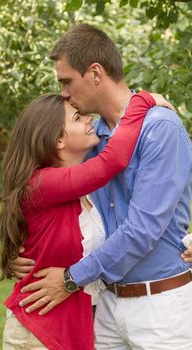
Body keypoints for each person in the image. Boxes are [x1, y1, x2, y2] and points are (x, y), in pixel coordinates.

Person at [12, 24, 192, 350]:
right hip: (105, 306)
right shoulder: (91, 137)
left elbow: (142, 229)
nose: (64, 93)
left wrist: (70, 279)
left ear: (95, 72)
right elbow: (39, 195)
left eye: (66, 81)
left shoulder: (159, 128)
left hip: (159, 308)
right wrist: (22, 251)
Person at [0, 90, 161, 350]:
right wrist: (141, 101)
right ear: (58, 140)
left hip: (71, 331)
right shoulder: (43, 184)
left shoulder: (82, 191)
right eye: (78, 117)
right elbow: (113, 160)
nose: (89, 118)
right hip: (40, 334)